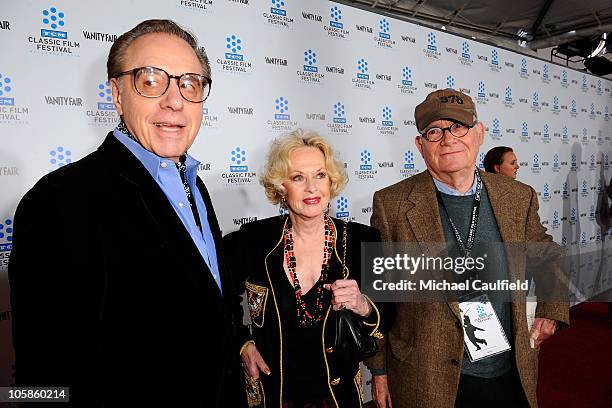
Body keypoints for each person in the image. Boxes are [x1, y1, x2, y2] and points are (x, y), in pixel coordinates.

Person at [8, 19, 242, 406]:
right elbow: (41, 375)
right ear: (116, 94)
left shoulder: (196, 186)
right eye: (151, 81)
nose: (175, 100)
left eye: (190, 83)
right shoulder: (59, 200)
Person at [368, 89, 569, 408]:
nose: (448, 139)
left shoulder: (518, 197)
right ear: (421, 146)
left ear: (479, 133)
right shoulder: (391, 204)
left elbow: (547, 254)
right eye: (434, 131)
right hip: (427, 377)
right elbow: (379, 296)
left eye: (458, 127)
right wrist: (379, 370)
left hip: (509, 371)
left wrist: (551, 309)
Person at [223, 129, 385, 407]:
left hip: (338, 396)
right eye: (298, 177)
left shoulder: (362, 240)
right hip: (274, 394)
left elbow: (388, 317)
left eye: (320, 175)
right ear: (281, 187)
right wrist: (243, 344)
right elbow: (220, 297)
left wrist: (362, 305)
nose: (312, 187)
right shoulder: (253, 240)